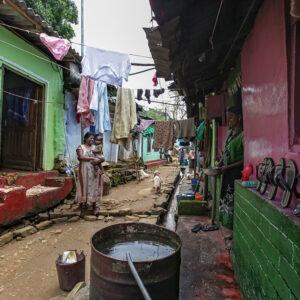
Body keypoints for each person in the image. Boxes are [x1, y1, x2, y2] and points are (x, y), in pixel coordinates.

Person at [218, 106, 244, 230]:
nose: (229, 120)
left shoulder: (243, 136)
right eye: (228, 117)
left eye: (231, 117)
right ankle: (225, 225)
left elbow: (245, 160)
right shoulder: (229, 133)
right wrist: (220, 163)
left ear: (239, 117)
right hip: (226, 172)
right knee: (224, 198)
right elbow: (225, 151)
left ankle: (231, 230)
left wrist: (228, 167)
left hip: (235, 173)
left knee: (231, 200)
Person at [75, 132, 104, 216]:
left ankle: (94, 207)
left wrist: (100, 166)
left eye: (92, 138)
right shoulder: (81, 147)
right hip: (84, 170)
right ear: (85, 138)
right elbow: (81, 157)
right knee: (83, 186)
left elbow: (99, 159)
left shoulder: (95, 148)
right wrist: (93, 158)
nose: (92, 140)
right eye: (90, 138)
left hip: (94, 171)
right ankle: (80, 206)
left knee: (94, 187)